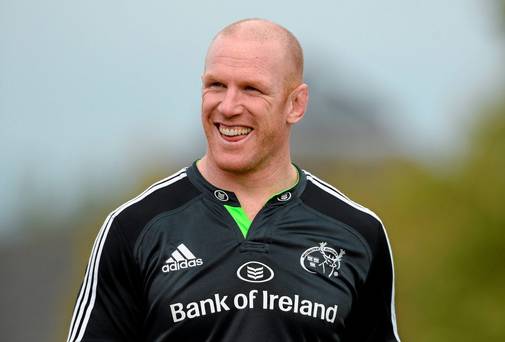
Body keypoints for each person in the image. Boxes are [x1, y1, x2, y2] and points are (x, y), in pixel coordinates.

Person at [66, 18, 400, 342]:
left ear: (296, 105)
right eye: (216, 86)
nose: (227, 107)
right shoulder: (135, 227)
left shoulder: (357, 232)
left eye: (251, 89)